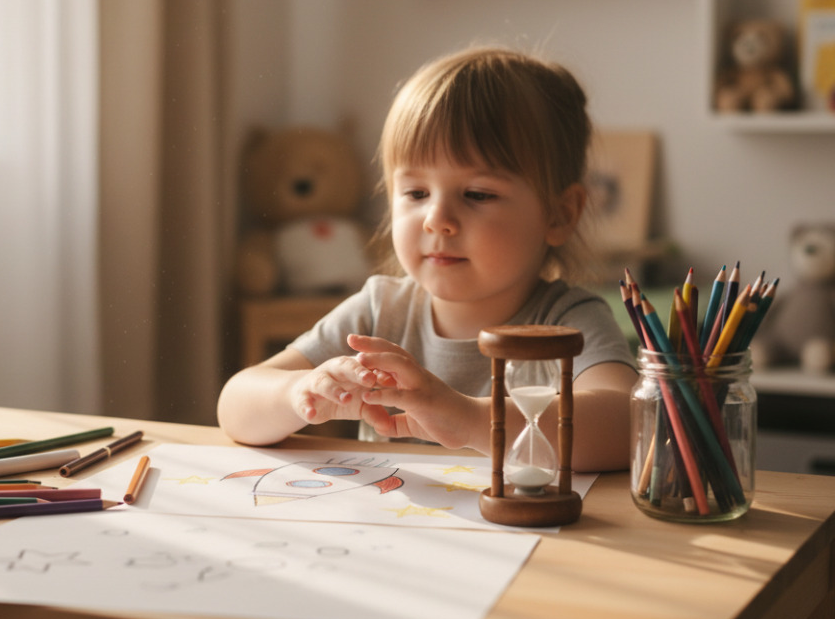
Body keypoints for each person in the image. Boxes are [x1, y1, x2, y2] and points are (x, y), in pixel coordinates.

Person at [217, 46, 637, 472]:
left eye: (478, 194)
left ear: (559, 213)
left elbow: (628, 423)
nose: (437, 220)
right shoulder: (380, 311)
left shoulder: (568, 321)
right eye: (417, 193)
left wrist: (471, 421)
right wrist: (297, 393)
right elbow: (236, 405)